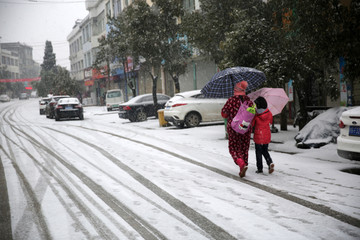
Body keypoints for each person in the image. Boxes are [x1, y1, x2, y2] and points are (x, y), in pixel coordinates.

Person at [221, 81, 254, 178]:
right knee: (244, 147)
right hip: (245, 127)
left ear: (235, 90)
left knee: (234, 147)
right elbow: (253, 112)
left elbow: (224, 114)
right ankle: (244, 164)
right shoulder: (249, 100)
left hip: (234, 128)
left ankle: (240, 162)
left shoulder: (231, 100)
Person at [252, 96, 275, 174]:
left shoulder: (256, 115)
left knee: (258, 152)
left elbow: (252, 124)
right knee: (265, 151)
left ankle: (260, 168)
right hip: (266, 135)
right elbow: (271, 121)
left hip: (258, 136)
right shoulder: (269, 113)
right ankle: (270, 162)